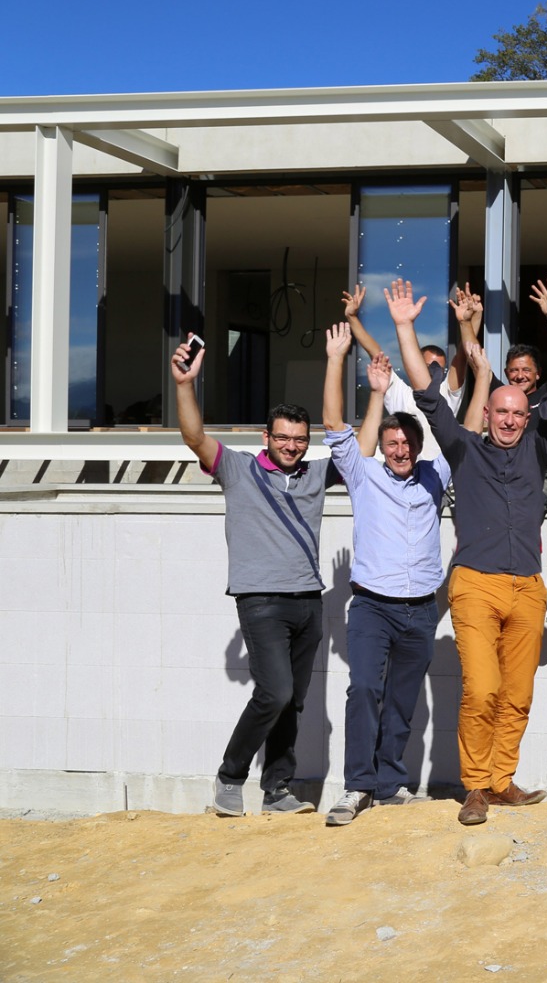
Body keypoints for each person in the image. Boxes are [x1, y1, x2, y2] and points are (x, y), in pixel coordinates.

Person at [390, 278, 547, 826]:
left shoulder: (538, 445)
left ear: (527, 417)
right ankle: (475, 785)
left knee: (518, 694)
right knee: (482, 689)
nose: (507, 419)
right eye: (499, 410)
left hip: (527, 586)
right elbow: (428, 393)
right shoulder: (463, 447)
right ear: (490, 413)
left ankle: (502, 781)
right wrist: (406, 326)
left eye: (517, 413)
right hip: (474, 584)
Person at [171, 335, 341, 818]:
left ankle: (277, 790)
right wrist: (185, 386)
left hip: (310, 600)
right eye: (283, 437)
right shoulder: (238, 469)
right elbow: (193, 437)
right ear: (266, 437)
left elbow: (361, 450)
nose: (291, 445)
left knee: (294, 702)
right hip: (261, 600)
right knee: (276, 692)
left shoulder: (315, 474)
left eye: (300, 439)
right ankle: (229, 776)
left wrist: (343, 367)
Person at [319, 326, 454, 826]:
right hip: (372, 607)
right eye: (392, 443)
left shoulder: (435, 475)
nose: (398, 450)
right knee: (365, 691)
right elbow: (334, 422)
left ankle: (390, 782)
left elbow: (453, 432)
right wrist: (344, 365)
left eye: (406, 444)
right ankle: (357, 786)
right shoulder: (364, 473)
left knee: (402, 698)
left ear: (417, 448)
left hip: (421, 610)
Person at [338, 281, 480, 460]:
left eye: (439, 368)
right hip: (405, 476)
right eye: (428, 366)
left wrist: (471, 320)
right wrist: (352, 318)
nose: (433, 372)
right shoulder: (401, 394)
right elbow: (375, 352)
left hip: (443, 482)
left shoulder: (447, 393)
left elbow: (463, 356)